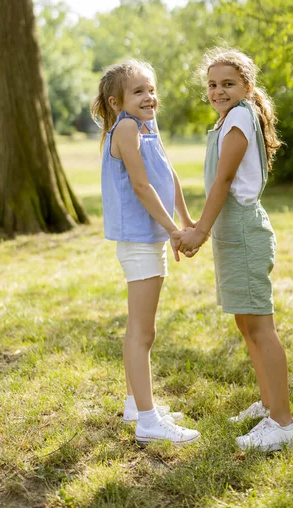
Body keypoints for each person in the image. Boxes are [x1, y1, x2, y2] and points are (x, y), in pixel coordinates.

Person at [173, 47, 293, 452]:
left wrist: (200, 233)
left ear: (247, 87)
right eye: (212, 85)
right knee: (245, 324)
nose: (218, 90)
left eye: (228, 83)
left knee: (261, 327)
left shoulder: (240, 117)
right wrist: (196, 223)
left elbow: (224, 181)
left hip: (243, 230)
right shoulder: (229, 119)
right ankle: (268, 404)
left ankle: (284, 424)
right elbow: (218, 185)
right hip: (232, 230)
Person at [91, 59, 201, 445]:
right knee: (142, 331)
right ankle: (148, 421)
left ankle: (135, 405)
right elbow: (140, 185)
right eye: (138, 91)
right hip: (139, 239)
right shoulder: (124, 128)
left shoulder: (147, 127)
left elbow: (167, 172)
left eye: (151, 89)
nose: (149, 97)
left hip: (150, 235)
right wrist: (173, 231)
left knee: (143, 328)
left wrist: (185, 219)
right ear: (116, 100)